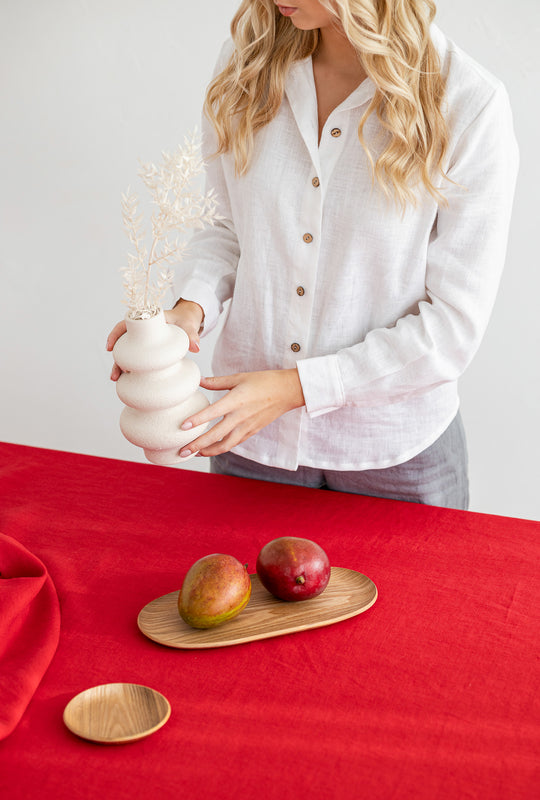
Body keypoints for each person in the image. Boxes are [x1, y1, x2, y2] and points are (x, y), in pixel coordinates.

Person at [107, 0, 518, 508]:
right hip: (250, 439)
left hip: (394, 454)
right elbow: (232, 225)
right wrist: (189, 310)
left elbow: (453, 326)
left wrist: (294, 388)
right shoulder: (248, 66)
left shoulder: (467, 103)